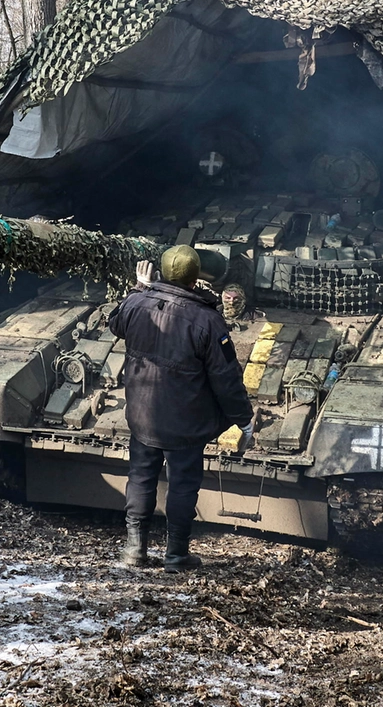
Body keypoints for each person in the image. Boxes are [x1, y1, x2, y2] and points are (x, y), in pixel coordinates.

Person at [107, 245, 254, 572]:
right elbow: (226, 379)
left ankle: (134, 551)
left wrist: (139, 288)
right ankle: (175, 555)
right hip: (186, 424)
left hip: (142, 416)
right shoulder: (207, 320)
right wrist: (244, 421)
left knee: (141, 478)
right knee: (183, 485)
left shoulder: (136, 303)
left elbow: (115, 323)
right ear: (195, 279)